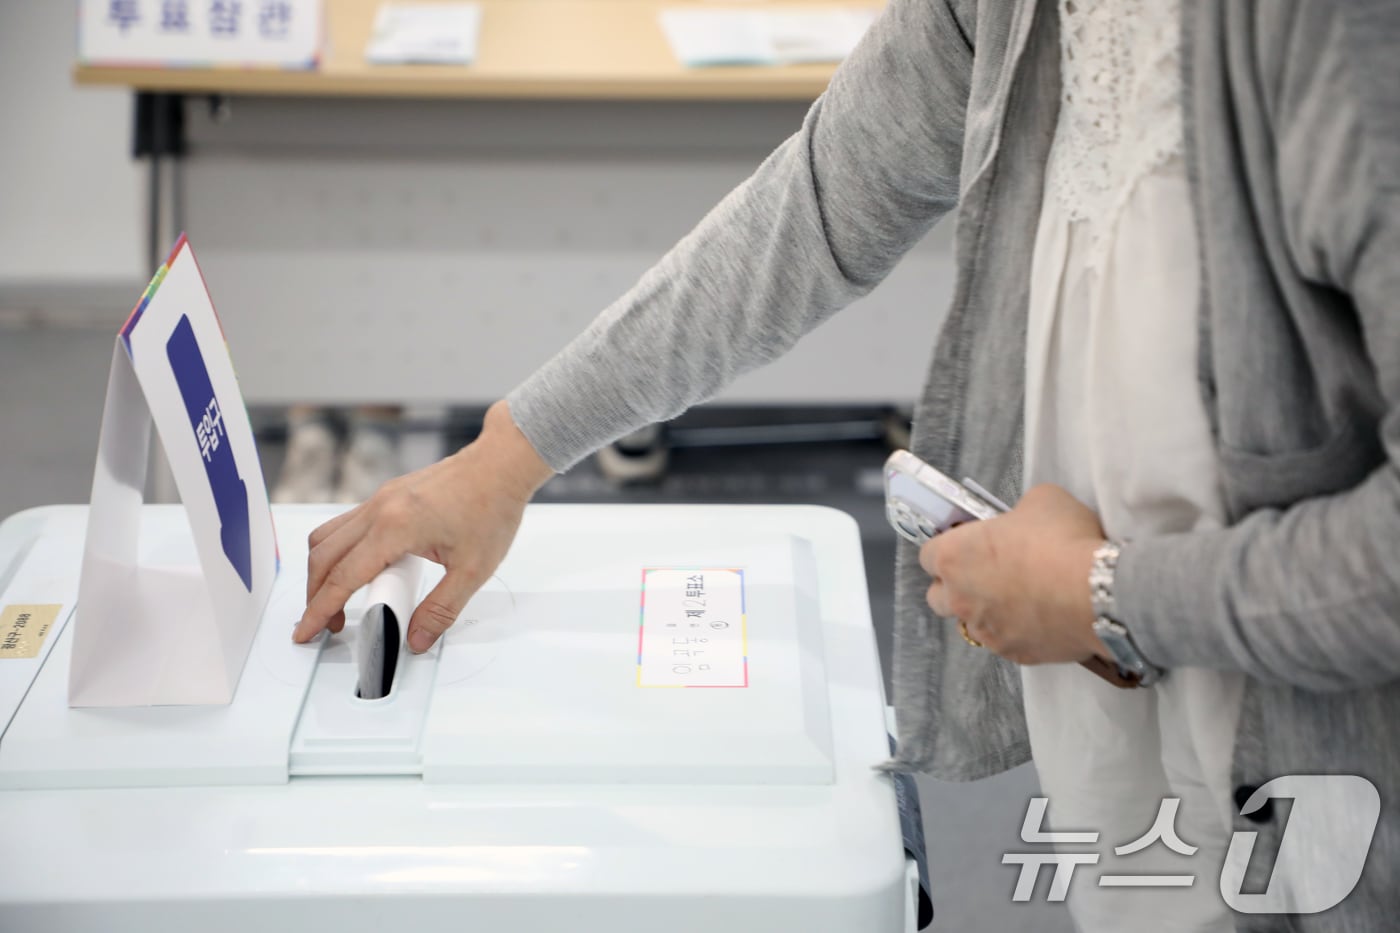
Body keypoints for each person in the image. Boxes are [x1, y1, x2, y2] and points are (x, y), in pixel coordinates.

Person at [293, 1, 1400, 928]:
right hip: (1129, 722)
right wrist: (512, 451)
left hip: (1321, 767)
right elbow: (819, 206)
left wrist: (1104, 594)